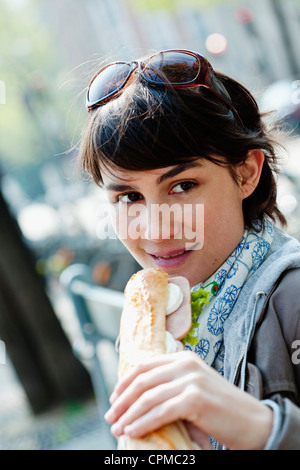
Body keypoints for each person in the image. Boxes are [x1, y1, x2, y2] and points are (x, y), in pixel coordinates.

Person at [78, 49, 300, 450]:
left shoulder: (293, 300)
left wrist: (262, 428)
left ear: (247, 172)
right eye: (129, 197)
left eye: (182, 186)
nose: (156, 230)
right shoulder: (151, 320)